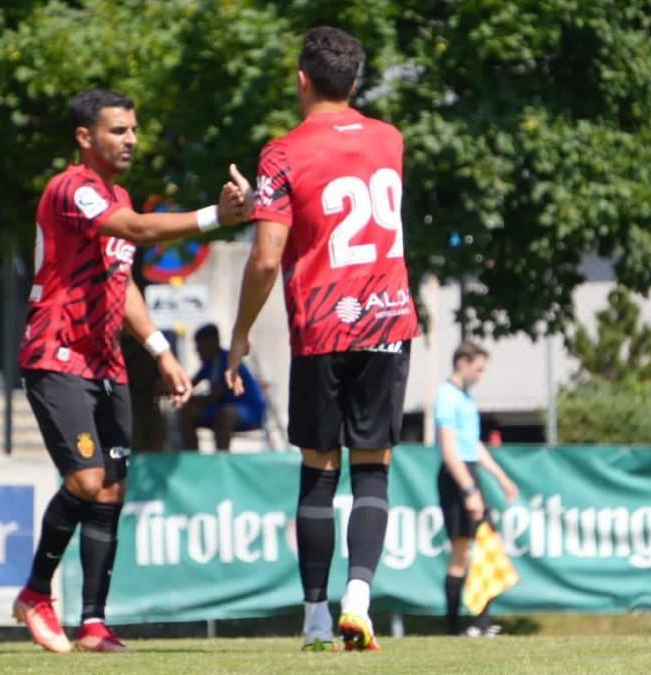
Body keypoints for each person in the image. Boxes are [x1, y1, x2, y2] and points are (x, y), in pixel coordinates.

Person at [13, 88, 252, 653]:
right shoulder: (72, 190)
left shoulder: (114, 195)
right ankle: (35, 593)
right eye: (118, 130)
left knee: (111, 490)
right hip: (56, 353)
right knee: (85, 480)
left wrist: (161, 352)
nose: (131, 140)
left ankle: (93, 622)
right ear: (84, 137)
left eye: (134, 129)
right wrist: (217, 215)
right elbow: (141, 232)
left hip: (106, 362)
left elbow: (123, 287)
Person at [225, 27, 421, 652]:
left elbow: (265, 259)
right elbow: (343, 193)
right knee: (373, 469)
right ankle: (358, 599)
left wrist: (240, 333)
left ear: (301, 80)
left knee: (317, 469)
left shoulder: (281, 154)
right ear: (356, 82)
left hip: (323, 325)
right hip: (388, 319)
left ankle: (315, 617)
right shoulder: (390, 140)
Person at [435, 341, 519, 637]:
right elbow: (450, 450)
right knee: (461, 552)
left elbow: (473, 446)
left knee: (487, 545)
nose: (481, 374)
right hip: (457, 477)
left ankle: (482, 623)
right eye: (478, 368)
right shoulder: (446, 396)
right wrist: (469, 490)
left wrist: (501, 477)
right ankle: (453, 628)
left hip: (470, 474)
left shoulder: (466, 398)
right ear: (462, 362)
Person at [179, 323, 266, 451]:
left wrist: (190, 399)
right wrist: (176, 389)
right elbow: (190, 385)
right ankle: (193, 459)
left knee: (225, 414)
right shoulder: (209, 364)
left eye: (199, 346)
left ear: (213, 342)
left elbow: (215, 395)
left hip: (248, 411)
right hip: (219, 409)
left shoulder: (226, 360)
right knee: (186, 413)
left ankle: (221, 459)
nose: (196, 350)